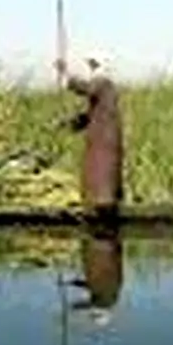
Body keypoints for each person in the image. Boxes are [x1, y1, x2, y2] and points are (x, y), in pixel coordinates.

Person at [54, 56, 125, 222]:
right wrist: (68, 123)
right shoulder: (102, 88)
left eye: (94, 66)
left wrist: (65, 74)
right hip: (100, 141)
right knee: (95, 172)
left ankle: (103, 204)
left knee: (103, 172)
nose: (91, 70)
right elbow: (89, 116)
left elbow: (86, 89)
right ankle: (96, 203)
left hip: (105, 142)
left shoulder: (104, 84)